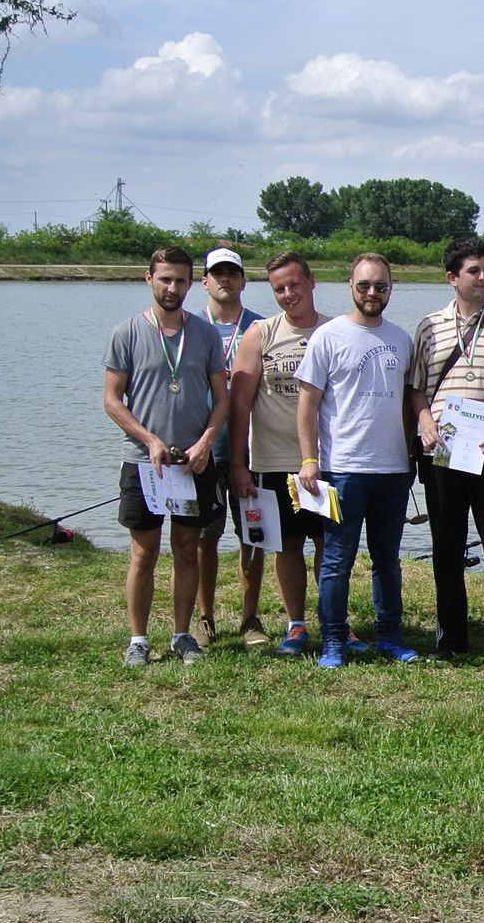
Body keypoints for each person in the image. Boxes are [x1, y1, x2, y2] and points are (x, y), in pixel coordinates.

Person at [102, 245, 229, 667]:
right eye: (165, 279)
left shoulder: (206, 335)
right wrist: (150, 440)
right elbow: (112, 400)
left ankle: (181, 635)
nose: (172, 288)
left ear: (192, 284)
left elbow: (222, 398)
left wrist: (206, 442)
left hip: (192, 462)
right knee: (143, 553)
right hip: (144, 462)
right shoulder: (126, 333)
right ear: (149, 279)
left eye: (180, 280)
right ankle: (138, 640)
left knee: (188, 548)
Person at [408, 234, 484, 664]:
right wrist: (425, 423)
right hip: (443, 452)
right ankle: (451, 641)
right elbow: (416, 389)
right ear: (452, 278)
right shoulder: (429, 326)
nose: (483, 277)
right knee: (447, 547)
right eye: (473, 271)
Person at [295, 253, 418, 668]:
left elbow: (407, 403)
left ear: (390, 288)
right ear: (350, 285)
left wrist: (411, 455)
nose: (372, 293)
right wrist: (309, 459)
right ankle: (333, 640)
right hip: (343, 468)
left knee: (388, 560)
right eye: (364, 285)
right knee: (336, 560)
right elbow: (307, 404)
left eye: (380, 286)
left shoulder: (401, 339)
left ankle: (390, 637)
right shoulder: (328, 337)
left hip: (393, 470)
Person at [228, 251, 330, 656]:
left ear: (311, 281)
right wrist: (238, 463)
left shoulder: (334, 331)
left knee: (327, 544)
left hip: (324, 461)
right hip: (273, 461)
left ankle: (333, 622)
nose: (289, 294)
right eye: (279, 289)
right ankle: (295, 624)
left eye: (294, 284)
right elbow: (239, 406)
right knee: (287, 545)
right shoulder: (260, 334)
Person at [195, 247, 264, 646]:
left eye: (232, 273)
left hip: (251, 451)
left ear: (243, 281)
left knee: (252, 535)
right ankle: (205, 618)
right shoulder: (190, 327)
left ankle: (250, 619)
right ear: (203, 281)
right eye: (217, 273)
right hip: (202, 451)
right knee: (203, 537)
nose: (225, 279)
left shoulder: (261, 327)